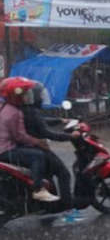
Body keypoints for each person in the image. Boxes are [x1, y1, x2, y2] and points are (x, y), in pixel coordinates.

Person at [22, 82, 83, 217]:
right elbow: (47, 133)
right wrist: (70, 136)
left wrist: (60, 120)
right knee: (63, 173)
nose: (43, 98)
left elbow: (43, 120)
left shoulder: (27, 110)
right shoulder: (31, 112)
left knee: (49, 175)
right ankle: (67, 204)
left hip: (33, 147)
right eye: (41, 96)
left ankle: (50, 205)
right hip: (39, 148)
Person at [0, 77, 57, 202]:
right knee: (38, 156)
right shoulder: (15, 112)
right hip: (6, 151)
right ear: (16, 97)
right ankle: (38, 189)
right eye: (25, 94)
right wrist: (38, 142)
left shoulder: (5, 108)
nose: (28, 97)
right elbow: (19, 136)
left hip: (4, 148)